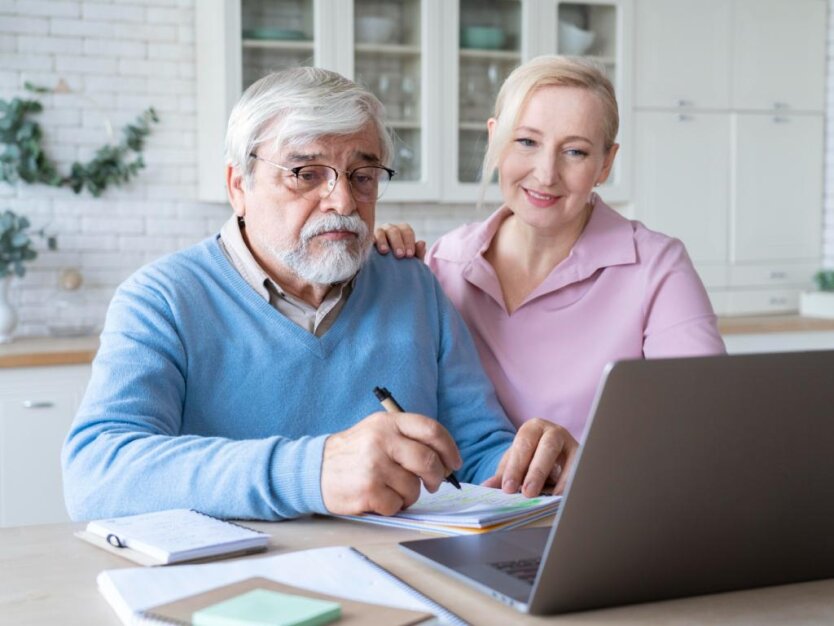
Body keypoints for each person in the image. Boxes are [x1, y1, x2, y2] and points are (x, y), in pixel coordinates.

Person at [62, 67, 576, 522]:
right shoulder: (162, 299)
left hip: (406, 578)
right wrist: (314, 471)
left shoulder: (413, 285)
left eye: (363, 175)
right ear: (239, 184)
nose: (343, 200)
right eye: (307, 174)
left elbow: (477, 449)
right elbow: (97, 473)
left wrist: (530, 469)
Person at [376, 55, 725, 468]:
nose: (545, 174)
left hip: (601, 513)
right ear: (495, 139)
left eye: (575, 151)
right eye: (526, 142)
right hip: (470, 514)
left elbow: (706, 430)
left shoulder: (655, 268)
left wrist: (586, 462)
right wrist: (378, 268)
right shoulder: (443, 263)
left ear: (605, 163)